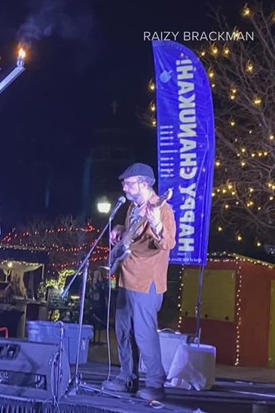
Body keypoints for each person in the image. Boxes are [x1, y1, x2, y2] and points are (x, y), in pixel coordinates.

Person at [102, 163, 176, 401]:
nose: (124, 187)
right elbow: (135, 234)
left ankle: (155, 384)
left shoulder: (162, 210)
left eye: (129, 183)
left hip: (146, 281)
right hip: (126, 276)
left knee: (144, 334)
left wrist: (156, 223)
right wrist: (121, 228)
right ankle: (127, 378)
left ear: (145, 184)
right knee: (123, 330)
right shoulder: (134, 207)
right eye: (124, 183)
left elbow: (166, 243)